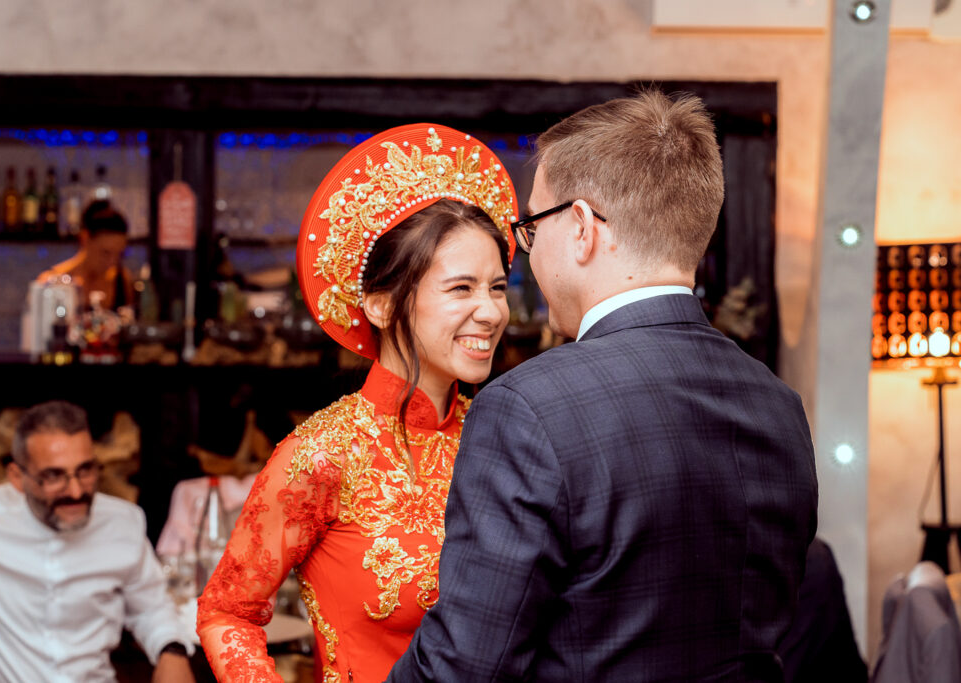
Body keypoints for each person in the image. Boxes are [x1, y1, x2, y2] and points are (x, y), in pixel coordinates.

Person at [387, 90, 819, 682]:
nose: (529, 262)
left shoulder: (528, 408)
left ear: (583, 228)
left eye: (532, 231)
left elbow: (464, 669)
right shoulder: (779, 405)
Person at [196, 123, 519, 682]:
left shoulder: (502, 437)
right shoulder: (322, 455)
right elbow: (228, 612)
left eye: (497, 287)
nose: (491, 312)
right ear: (379, 303)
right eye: (461, 288)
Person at [0, 400, 195, 683]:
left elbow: (151, 608)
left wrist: (172, 651)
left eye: (85, 470)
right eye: (54, 476)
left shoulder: (124, 522)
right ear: (17, 477)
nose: (75, 491)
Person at [37, 199, 134, 310]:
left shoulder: (122, 281)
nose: (113, 262)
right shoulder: (52, 282)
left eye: (119, 254)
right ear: (85, 239)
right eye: (106, 253)